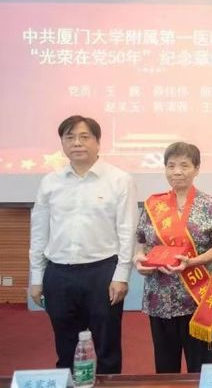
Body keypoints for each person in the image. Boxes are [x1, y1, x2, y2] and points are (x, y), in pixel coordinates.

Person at [29, 115, 137, 373]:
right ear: (62, 143)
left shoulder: (119, 179)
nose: (77, 143)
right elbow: (39, 232)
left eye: (84, 137)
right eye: (70, 137)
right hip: (58, 273)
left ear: (98, 142)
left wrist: (122, 276)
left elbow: (127, 230)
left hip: (102, 273)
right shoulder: (50, 182)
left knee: (107, 348)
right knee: (65, 347)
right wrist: (37, 277)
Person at [133, 142, 212, 373]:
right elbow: (141, 245)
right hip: (160, 297)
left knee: (201, 368)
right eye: (171, 165)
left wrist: (191, 262)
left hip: (197, 298)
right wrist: (139, 261)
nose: (177, 171)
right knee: (165, 369)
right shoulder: (152, 204)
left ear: (197, 169)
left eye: (185, 165)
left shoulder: (210, 205)